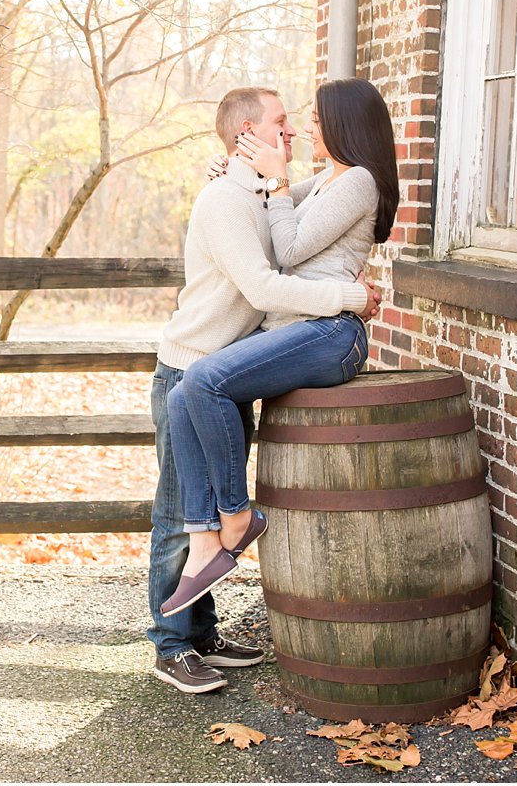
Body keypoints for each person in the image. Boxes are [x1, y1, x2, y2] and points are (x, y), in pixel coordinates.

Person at [147, 85, 382, 694]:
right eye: (284, 122)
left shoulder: (264, 189)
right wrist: (349, 296)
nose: (297, 131)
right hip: (192, 364)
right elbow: (265, 283)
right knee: (178, 517)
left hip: (226, 368)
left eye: (305, 119)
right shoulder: (228, 201)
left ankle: (202, 635)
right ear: (250, 132)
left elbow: (300, 212)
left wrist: (257, 174)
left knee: (197, 513)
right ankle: (172, 645)